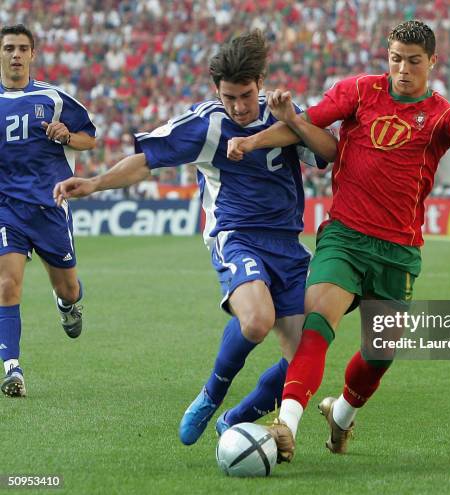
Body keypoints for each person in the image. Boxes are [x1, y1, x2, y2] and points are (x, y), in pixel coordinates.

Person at [227, 20, 450, 463]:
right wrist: (252, 141)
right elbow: (304, 124)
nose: (403, 69)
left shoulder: (443, 115)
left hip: (398, 250)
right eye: (396, 59)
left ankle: (342, 415)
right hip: (345, 238)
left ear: (432, 61)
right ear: (386, 56)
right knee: (317, 322)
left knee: (380, 353)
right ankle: (286, 424)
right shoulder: (358, 91)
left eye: (414, 61)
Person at [53, 31, 337, 444]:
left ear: (261, 82)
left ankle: (235, 418)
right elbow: (146, 161)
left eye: (245, 95)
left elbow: (327, 154)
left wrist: (293, 118)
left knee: (302, 357)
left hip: (289, 245)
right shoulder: (206, 122)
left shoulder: (285, 113)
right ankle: (211, 395)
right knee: (257, 321)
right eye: (229, 97)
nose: (238, 106)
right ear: (216, 92)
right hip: (236, 235)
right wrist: (95, 183)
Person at [0, 24, 96, 397]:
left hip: (51, 206)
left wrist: (67, 136)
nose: (16, 55)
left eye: (23, 48)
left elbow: (90, 137)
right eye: (9, 48)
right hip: (7, 208)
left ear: (33, 54)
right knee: (7, 284)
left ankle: (68, 303)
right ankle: (12, 368)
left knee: (68, 287)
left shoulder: (54, 98)